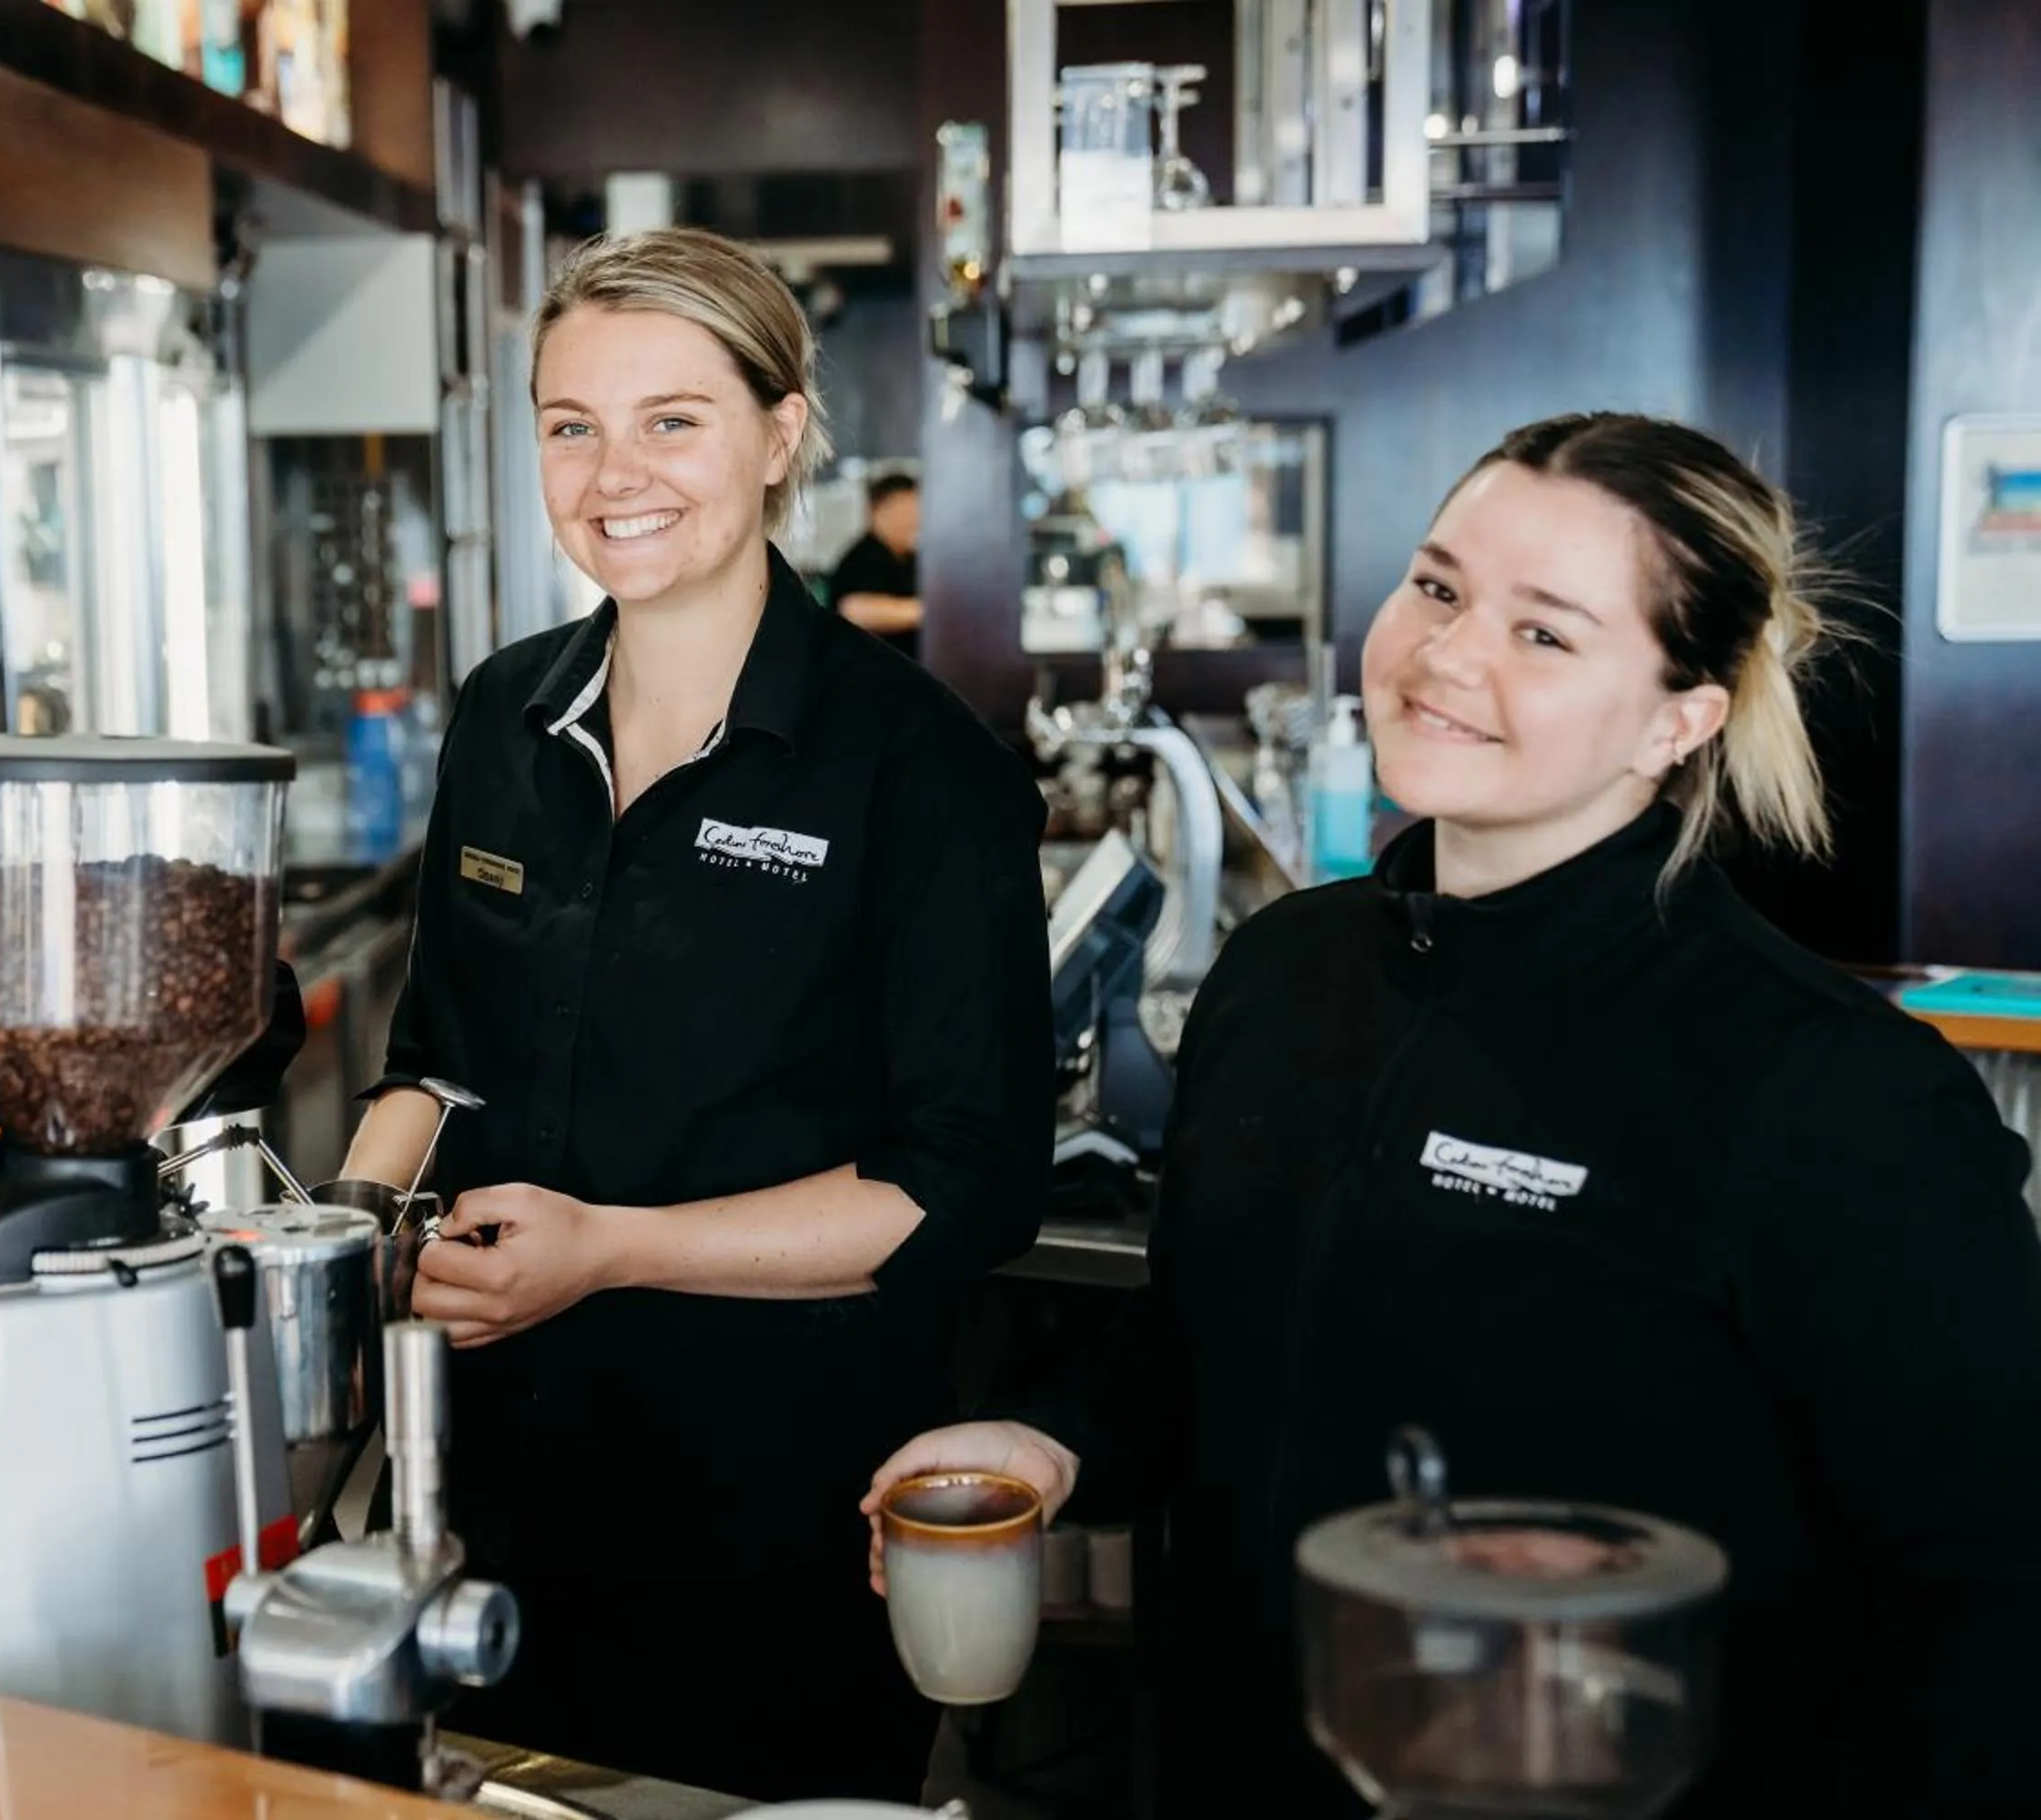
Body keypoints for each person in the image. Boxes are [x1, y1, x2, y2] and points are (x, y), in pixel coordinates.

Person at [867, 412, 2041, 1818]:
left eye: (1544, 632)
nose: (1445, 656)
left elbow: (1990, 1603)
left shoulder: (1837, 1092)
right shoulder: (1284, 971)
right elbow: (1209, 1336)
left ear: (1681, 717)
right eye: (1437, 587)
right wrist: (1053, 1438)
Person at [338, 227, 1052, 1803]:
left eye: (673, 420)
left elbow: (970, 1178)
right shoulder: (504, 715)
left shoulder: (918, 768)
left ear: (781, 433)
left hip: (772, 1516)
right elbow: (433, 1066)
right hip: (484, 1488)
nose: (615, 476)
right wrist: (340, 1236)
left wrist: (612, 1249)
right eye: (571, 424)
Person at [826, 473, 922, 660]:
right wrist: (927, 611)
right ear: (875, 510)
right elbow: (854, 610)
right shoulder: (864, 557)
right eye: (903, 511)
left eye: (915, 511)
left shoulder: (910, 557)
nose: (912, 520)